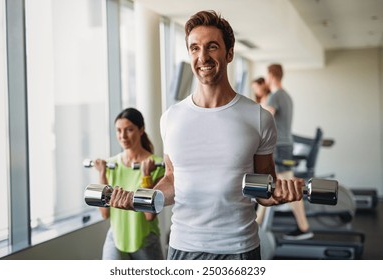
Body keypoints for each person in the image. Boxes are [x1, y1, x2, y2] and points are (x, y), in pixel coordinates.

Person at [108, 10, 305, 260]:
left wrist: (280, 193)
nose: (203, 57)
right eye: (194, 48)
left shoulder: (258, 117)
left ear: (229, 53)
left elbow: (264, 189)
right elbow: (172, 178)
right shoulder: (171, 118)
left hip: (238, 247)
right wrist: (143, 197)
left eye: (212, 47)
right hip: (182, 247)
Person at [93, 107, 165, 260]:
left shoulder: (157, 165)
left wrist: (146, 175)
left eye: (129, 130)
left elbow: (149, 215)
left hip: (145, 239)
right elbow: (104, 214)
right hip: (116, 237)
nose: (123, 136)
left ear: (141, 130)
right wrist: (101, 174)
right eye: (119, 131)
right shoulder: (110, 165)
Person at [259, 63, 314, 240]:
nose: (266, 79)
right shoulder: (286, 96)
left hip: (279, 146)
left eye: (267, 76)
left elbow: (266, 117)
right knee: (275, 183)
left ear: (272, 76)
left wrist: (257, 107)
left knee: (288, 186)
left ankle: (304, 227)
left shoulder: (275, 96)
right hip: (285, 145)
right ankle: (258, 222)